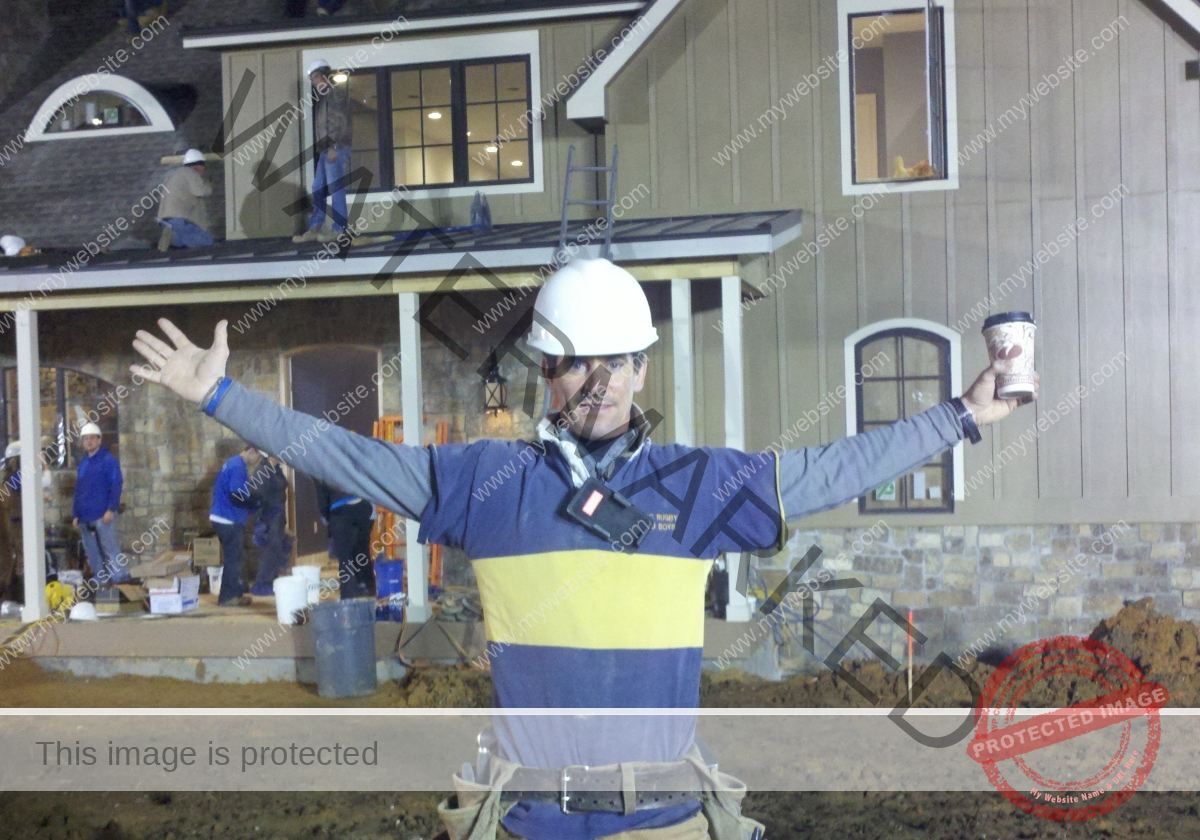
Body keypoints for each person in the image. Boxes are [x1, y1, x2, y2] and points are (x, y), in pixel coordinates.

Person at [131, 257, 1036, 840]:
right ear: (545, 371)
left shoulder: (699, 487)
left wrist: (961, 415)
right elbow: (350, 456)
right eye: (574, 362)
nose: (597, 382)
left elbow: (834, 469)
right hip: (529, 823)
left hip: (672, 822)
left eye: (616, 360)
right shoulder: (490, 482)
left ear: (643, 367)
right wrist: (224, 398)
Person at [293, 59, 350, 244]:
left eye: (316, 76)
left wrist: (333, 147)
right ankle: (315, 226)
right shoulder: (325, 97)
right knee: (318, 187)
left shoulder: (334, 95)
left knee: (334, 187)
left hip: (335, 147)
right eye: (312, 78)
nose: (314, 81)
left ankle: (339, 229)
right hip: (327, 148)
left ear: (325, 75)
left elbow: (337, 121)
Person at [72, 423, 127, 586]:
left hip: (103, 514)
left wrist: (111, 509)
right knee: (92, 551)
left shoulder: (109, 461)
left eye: (91, 438)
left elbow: (116, 484)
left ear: (99, 440)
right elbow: (79, 489)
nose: (88, 441)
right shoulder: (84, 463)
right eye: (85, 439)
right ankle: (100, 578)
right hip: (85, 516)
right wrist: (75, 514)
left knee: (109, 548)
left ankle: (120, 579)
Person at [209, 445, 263, 606]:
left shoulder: (233, 463)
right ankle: (227, 597)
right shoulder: (238, 466)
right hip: (228, 518)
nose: (259, 461)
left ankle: (235, 594)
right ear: (252, 451)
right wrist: (256, 501)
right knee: (234, 558)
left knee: (236, 556)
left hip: (224, 517)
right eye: (259, 457)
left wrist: (252, 503)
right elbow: (236, 496)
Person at [314, 479, 375, 600]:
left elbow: (321, 490)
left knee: (345, 558)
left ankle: (350, 597)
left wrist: (325, 515)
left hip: (340, 508)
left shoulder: (323, 462)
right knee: (362, 551)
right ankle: (369, 589)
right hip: (364, 505)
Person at [248, 456, 294, 596]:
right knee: (270, 550)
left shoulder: (276, 469)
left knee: (277, 547)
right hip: (269, 515)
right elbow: (256, 493)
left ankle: (271, 579)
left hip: (278, 514)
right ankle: (262, 583)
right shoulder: (263, 470)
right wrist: (261, 520)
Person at [157, 149, 214, 251]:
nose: (203, 170)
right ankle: (172, 235)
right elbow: (200, 191)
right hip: (179, 220)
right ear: (197, 165)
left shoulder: (173, 175)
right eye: (203, 166)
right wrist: (208, 186)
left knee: (181, 245)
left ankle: (171, 237)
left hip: (166, 220)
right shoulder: (190, 172)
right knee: (206, 242)